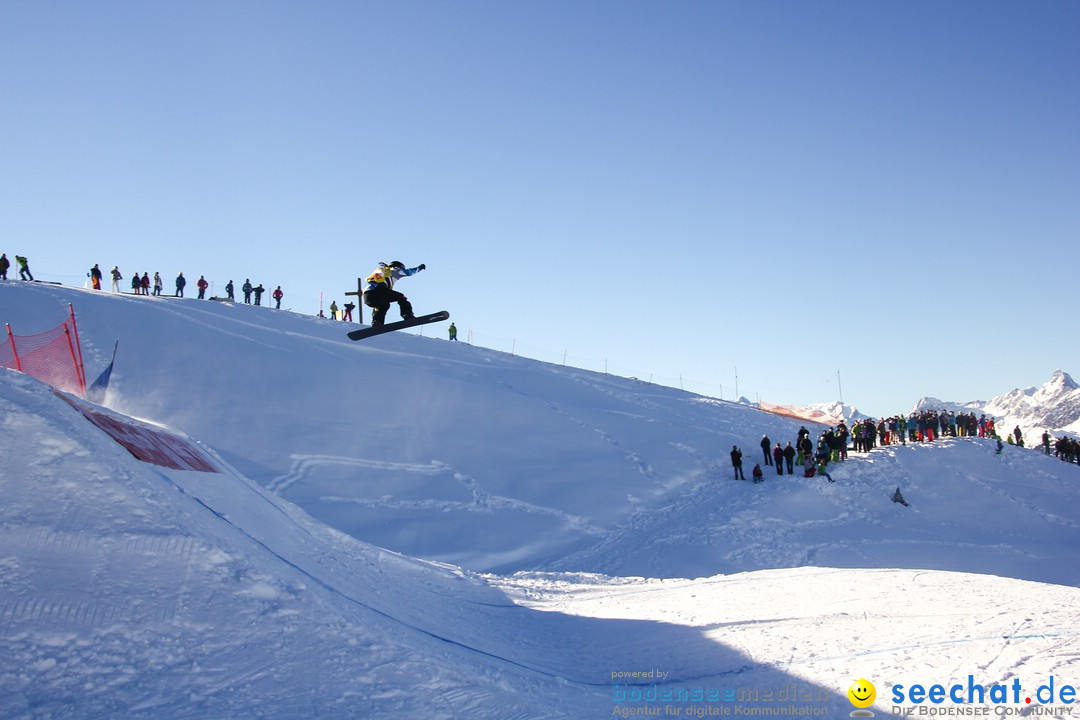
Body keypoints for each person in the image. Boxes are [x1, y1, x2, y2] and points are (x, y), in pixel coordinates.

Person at [362, 260, 426, 327]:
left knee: (383, 305)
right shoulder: (394, 270)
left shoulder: (382, 270)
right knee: (401, 297)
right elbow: (408, 272)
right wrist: (419, 268)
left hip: (367, 297)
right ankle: (407, 314)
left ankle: (377, 322)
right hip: (378, 291)